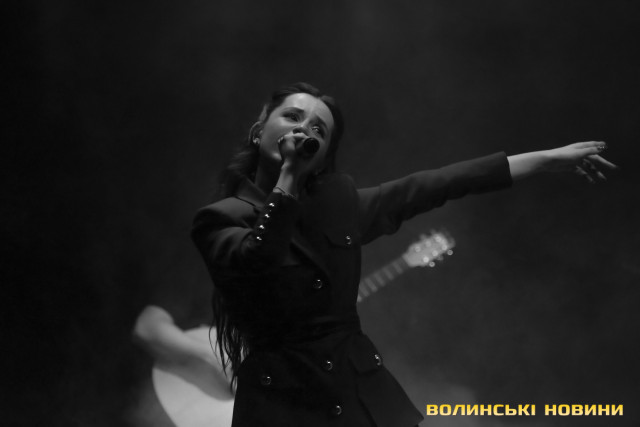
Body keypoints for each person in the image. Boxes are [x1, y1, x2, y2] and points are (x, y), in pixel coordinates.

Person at [190, 82, 616, 427]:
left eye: (319, 129)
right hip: (283, 407)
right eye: (293, 117)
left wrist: (544, 160)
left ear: (321, 159)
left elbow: (437, 184)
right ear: (258, 131)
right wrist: (288, 177)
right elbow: (259, 258)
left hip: (361, 399)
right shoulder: (220, 218)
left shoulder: (341, 205)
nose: (305, 130)